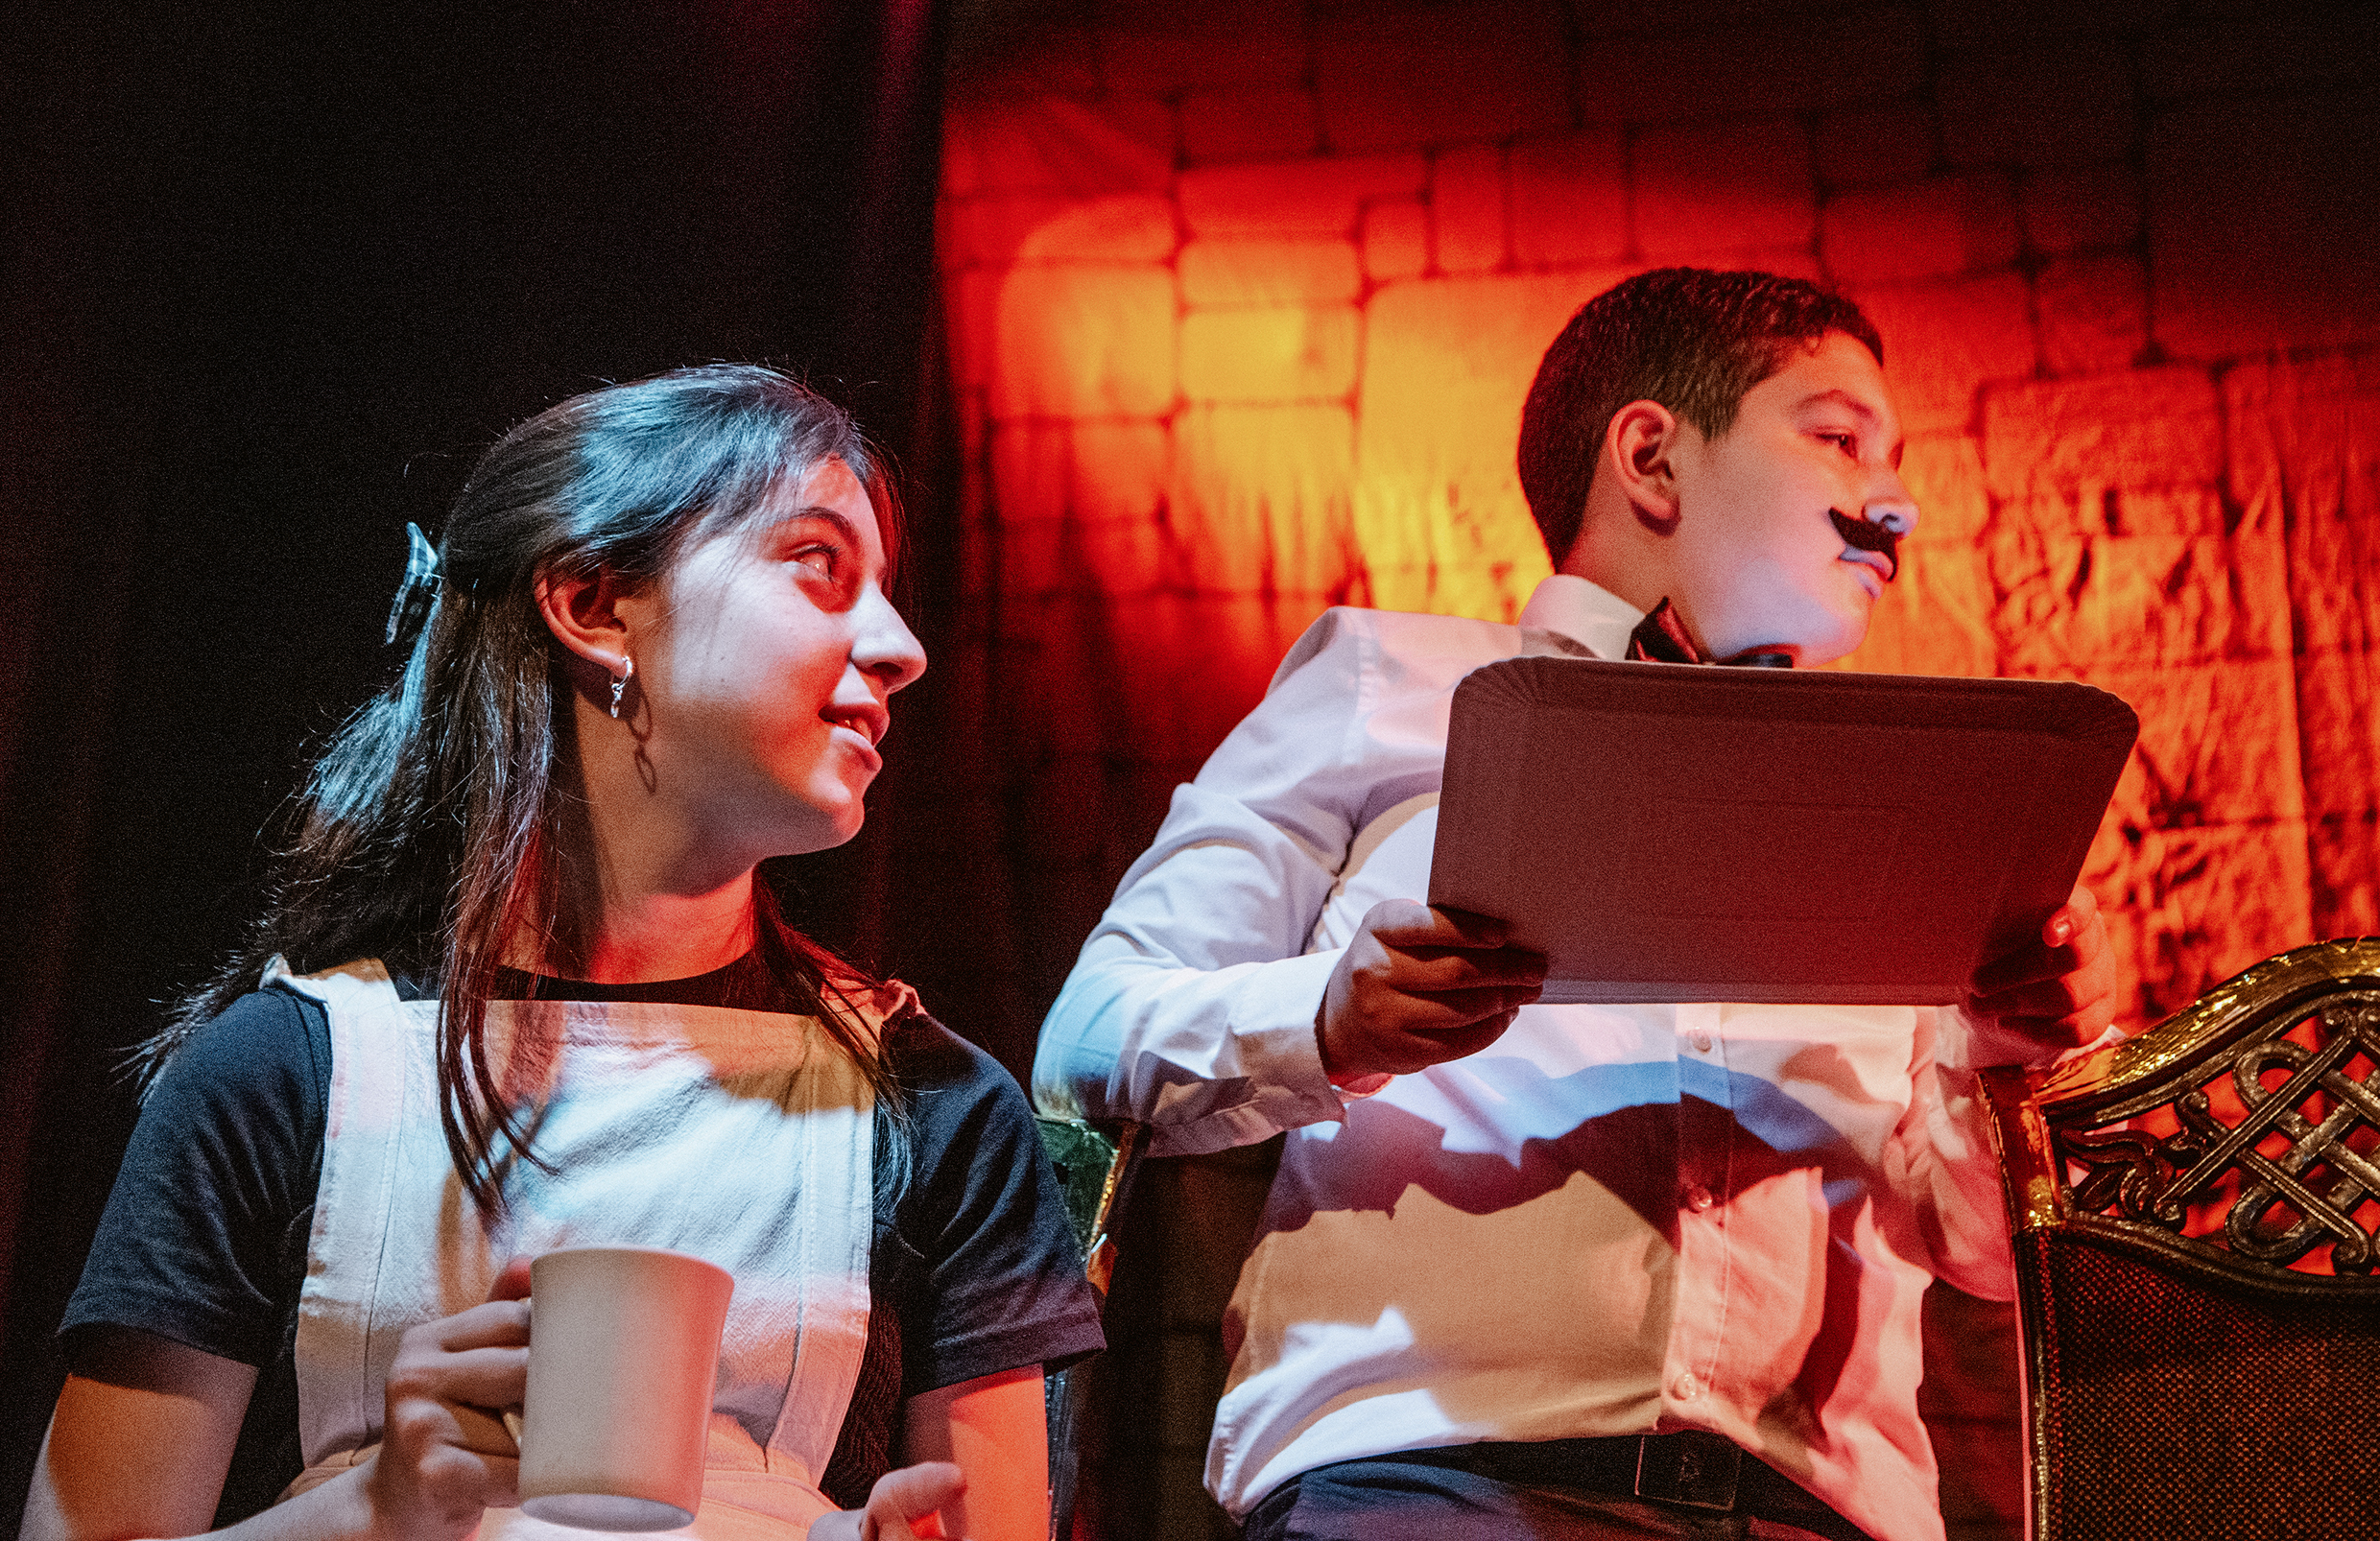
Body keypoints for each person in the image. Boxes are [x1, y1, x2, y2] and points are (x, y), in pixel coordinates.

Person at [1034, 270, 2118, 1541]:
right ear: (1651, 457)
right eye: (1837, 437)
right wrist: (1332, 1019)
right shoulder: (1387, 680)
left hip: (1819, 1512)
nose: (1896, 506)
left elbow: (1978, 1249)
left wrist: (2008, 1047)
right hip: (1434, 1486)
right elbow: (1090, 1034)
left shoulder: (1914, 803)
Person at [27, 366, 1104, 1541]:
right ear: (594, 604)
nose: (899, 648)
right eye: (816, 564)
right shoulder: (288, 1072)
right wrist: (372, 1509)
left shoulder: (933, 1107)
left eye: (883, 591)